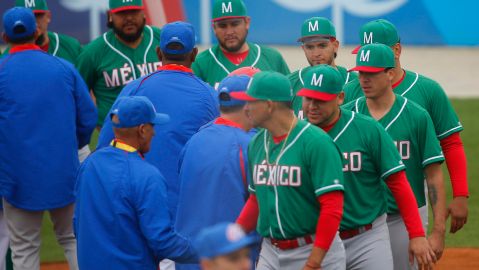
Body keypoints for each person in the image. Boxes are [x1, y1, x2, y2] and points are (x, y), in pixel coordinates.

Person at [299, 64, 437, 269]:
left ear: (340, 98)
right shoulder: (295, 135)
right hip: (316, 238)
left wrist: (416, 234)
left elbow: (398, 182)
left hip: (367, 238)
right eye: (308, 98)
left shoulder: (367, 129)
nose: (312, 106)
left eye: (320, 99)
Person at [343, 19, 469, 234]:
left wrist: (460, 195)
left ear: (397, 50)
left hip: (409, 204)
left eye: (378, 51)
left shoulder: (427, 90)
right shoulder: (351, 92)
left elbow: (451, 143)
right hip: (360, 210)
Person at [0, 7, 97, 270]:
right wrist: (72, 144)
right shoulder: (62, 68)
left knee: (24, 247)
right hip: (63, 171)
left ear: (5, 37)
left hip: (17, 179)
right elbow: (88, 116)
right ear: (35, 31)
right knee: (72, 239)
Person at [97, 19, 218, 222]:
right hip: (186, 210)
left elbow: (105, 148)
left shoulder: (133, 89)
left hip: (137, 207)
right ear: (195, 54)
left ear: (158, 53)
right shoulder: (209, 96)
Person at [344, 43, 446, 269]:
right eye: (361, 73)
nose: (364, 79)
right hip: (360, 220)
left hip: (405, 219)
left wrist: (438, 231)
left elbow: (434, 176)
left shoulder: (416, 116)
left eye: (371, 73)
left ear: (390, 74)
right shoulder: (348, 114)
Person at [231, 71, 346, 270]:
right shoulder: (257, 143)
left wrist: (314, 262)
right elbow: (256, 199)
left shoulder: (316, 142)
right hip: (270, 250)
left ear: (269, 105)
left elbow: (332, 207)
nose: (246, 108)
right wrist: (232, 237)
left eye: (251, 102)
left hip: (313, 249)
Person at [74, 96, 198, 269]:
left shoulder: (89, 163)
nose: (154, 132)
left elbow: (77, 222)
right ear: (142, 130)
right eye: (152, 126)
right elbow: (162, 241)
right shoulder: (147, 176)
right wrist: (205, 251)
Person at [175, 74, 257, 270]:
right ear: (249, 106)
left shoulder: (194, 139)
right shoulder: (249, 146)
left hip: (188, 258)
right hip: (228, 260)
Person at [76, 0, 162, 127]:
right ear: (110, 15)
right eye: (122, 13)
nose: (128, 18)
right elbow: (76, 95)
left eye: (133, 11)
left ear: (143, 12)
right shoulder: (93, 52)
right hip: (115, 135)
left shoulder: (160, 38)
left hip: (159, 128)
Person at [192, 0, 290, 88]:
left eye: (235, 24)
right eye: (222, 26)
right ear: (214, 28)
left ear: (247, 23)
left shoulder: (272, 58)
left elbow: (289, 98)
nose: (229, 32)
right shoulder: (200, 63)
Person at [288, 17, 357, 119]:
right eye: (310, 47)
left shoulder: (356, 83)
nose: (316, 54)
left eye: (322, 46)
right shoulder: (290, 84)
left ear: (335, 45)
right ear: (303, 49)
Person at [1, 0, 82, 64]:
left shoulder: (72, 47)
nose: (33, 22)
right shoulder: (5, 59)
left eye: (37, 15)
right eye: (27, 18)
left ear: (48, 16)